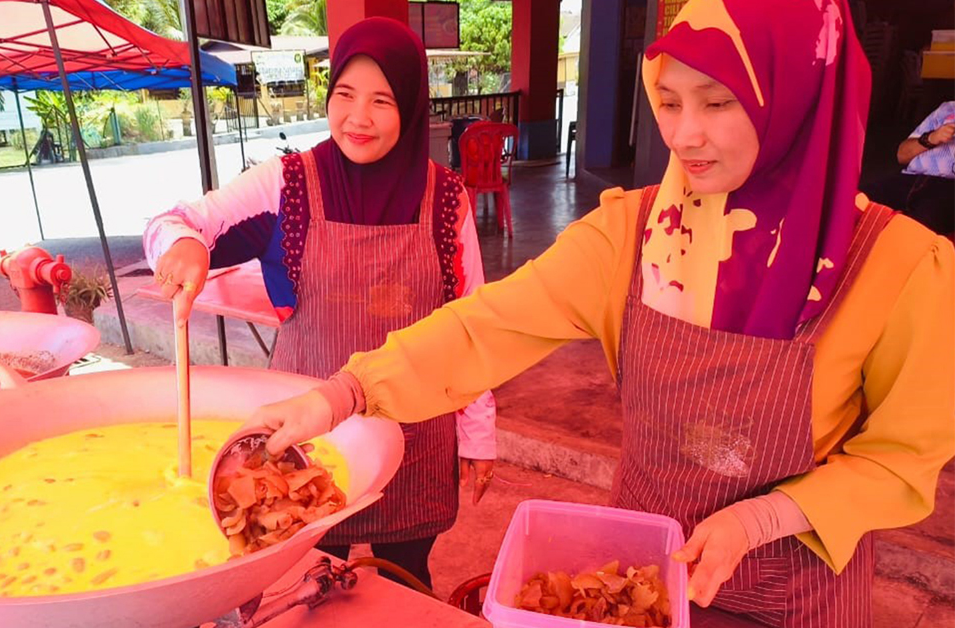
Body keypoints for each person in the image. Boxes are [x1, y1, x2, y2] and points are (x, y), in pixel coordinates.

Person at [245, 1, 955, 626]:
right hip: (636, 575)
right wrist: (344, 393)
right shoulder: (633, 237)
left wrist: (768, 515)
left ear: (799, 97)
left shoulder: (899, 267)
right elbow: (485, 324)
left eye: (718, 103)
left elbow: (901, 460)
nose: (683, 135)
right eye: (670, 101)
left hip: (796, 592)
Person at [144, 18, 497, 589]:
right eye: (345, 95)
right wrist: (182, 245)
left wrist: (479, 435)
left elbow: (470, 325)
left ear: (410, 105)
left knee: (403, 579)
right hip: (305, 442)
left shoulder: (447, 198)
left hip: (419, 436)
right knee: (306, 582)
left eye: (382, 100)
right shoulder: (285, 184)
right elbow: (176, 221)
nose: (359, 117)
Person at [864, 101, 954, 236]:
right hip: (908, 178)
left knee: (914, 230)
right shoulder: (947, 108)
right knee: (856, 202)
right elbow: (902, 155)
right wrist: (931, 138)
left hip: (947, 187)